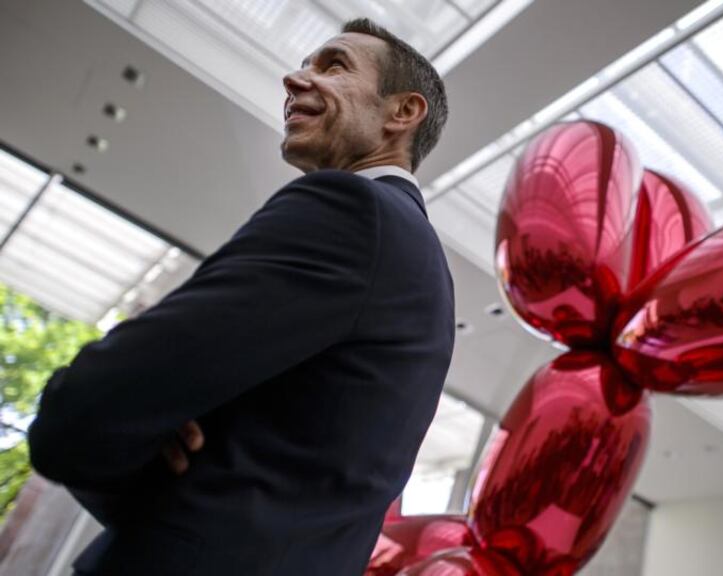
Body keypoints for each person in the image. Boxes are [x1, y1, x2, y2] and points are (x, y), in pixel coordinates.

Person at [27, 18, 454, 576]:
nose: (295, 79)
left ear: (403, 112)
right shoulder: (423, 267)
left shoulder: (353, 209)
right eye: (305, 64)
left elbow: (83, 409)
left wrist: (151, 448)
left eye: (334, 65)